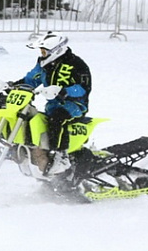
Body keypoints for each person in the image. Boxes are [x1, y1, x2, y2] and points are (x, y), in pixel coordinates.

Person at [13, 32, 92, 176]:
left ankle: (61, 155)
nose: (42, 54)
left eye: (44, 51)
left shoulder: (76, 65)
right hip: (53, 105)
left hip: (74, 105)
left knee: (57, 119)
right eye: (41, 51)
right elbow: (32, 78)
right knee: (32, 119)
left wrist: (64, 91)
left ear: (56, 50)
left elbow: (82, 88)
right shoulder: (45, 64)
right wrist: (14, 85)